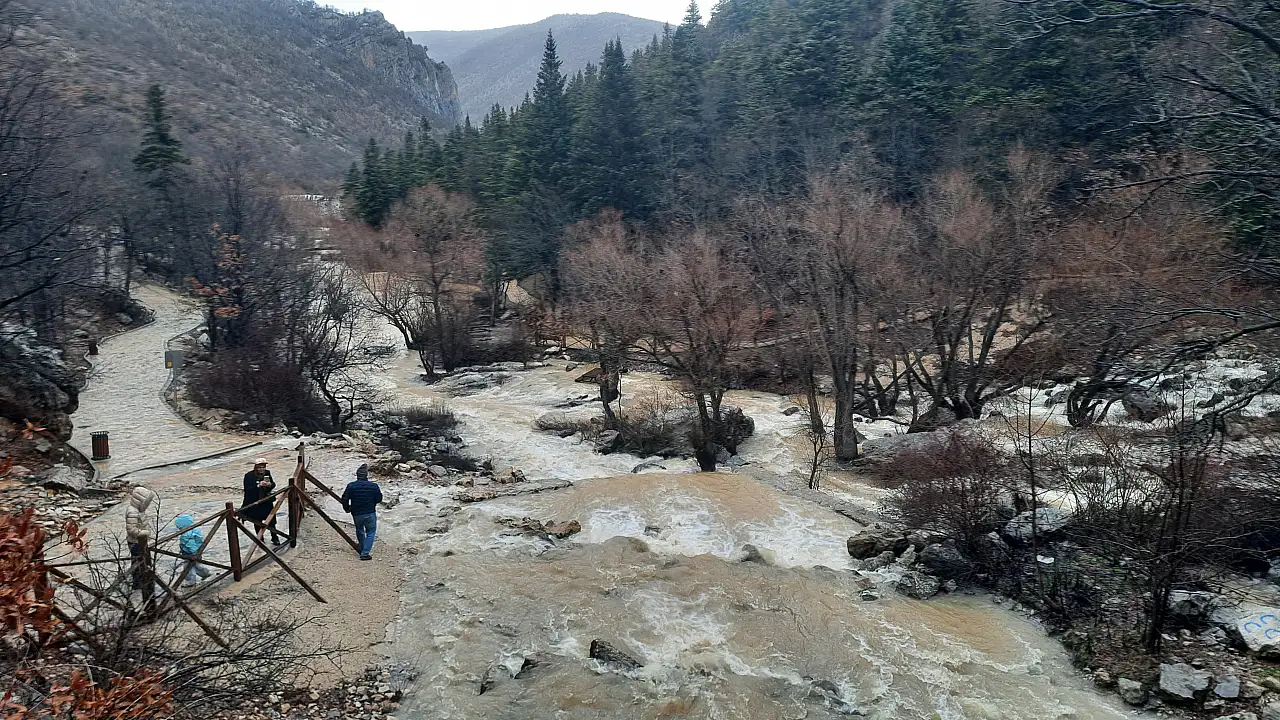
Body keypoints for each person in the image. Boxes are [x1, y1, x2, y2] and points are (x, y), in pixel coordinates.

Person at [124, 486, 159, 612]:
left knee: (141, 561)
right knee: (138, 562)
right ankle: (139, 584)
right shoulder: (132, 512)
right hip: (136, 542)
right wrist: (145, 533)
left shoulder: (138, 510)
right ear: (140, 501)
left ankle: (144, 581)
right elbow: (132, 530)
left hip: (141, 541)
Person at [341, 463, 382, 561]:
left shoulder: (351, 486)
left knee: (359, 530)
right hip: (370, 512)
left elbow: (344, 499)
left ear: (357, 475)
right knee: (371, 532)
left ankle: (363, 546)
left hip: (357, 513)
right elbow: (379, 498)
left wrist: (347, 508)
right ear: (366, 475)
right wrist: (373, 503)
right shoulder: (374, 486)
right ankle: (365, 553)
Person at [242, 458, 283, 544]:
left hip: (266, 502)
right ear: (256, 468)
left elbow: (273, 484)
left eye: (263, 467)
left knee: (271, 521)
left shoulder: (267, 473)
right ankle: (260, 539)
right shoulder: (249, 476)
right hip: (255, 503)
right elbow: (247, 489)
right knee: (257, 522)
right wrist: (258, 485)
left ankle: (274, 537)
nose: (262, 469)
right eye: (260, 467)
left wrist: (270, 485)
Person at [174, 514, 212, 587]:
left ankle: (190, 582)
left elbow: (190, 545)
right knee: (197, 565)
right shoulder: (195, 530)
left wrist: (193, 553)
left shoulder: (185, 535)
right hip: (198, 551)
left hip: (189, 554)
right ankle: (206, 573)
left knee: (187, 568)